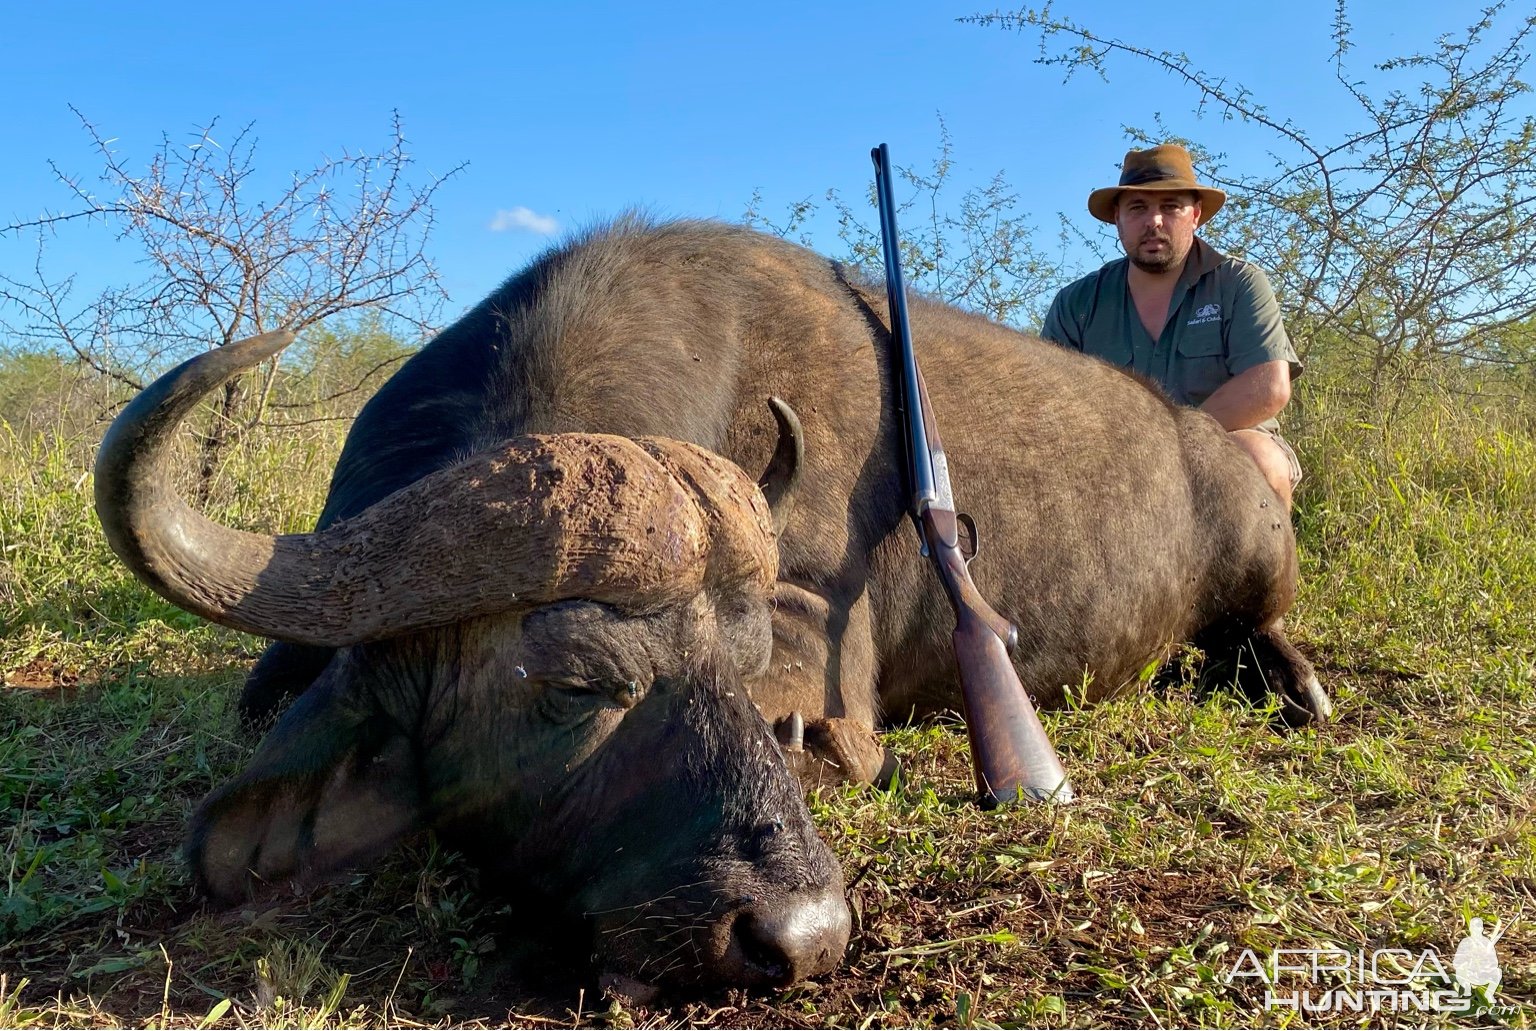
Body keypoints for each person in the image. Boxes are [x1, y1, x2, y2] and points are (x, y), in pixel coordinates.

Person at [1041, 143, 1303, 507]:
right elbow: (1047, 404)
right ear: (1117, 217)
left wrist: (1166, 445)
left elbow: (1268, 388)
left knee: (1262, 460)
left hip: (1218, 450)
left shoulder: (1238, 283)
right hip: (1111, 463)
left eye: (1170, 206)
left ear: (1195, 214)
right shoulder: (1076, 303)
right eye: (1138, 208)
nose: (1154, 222)